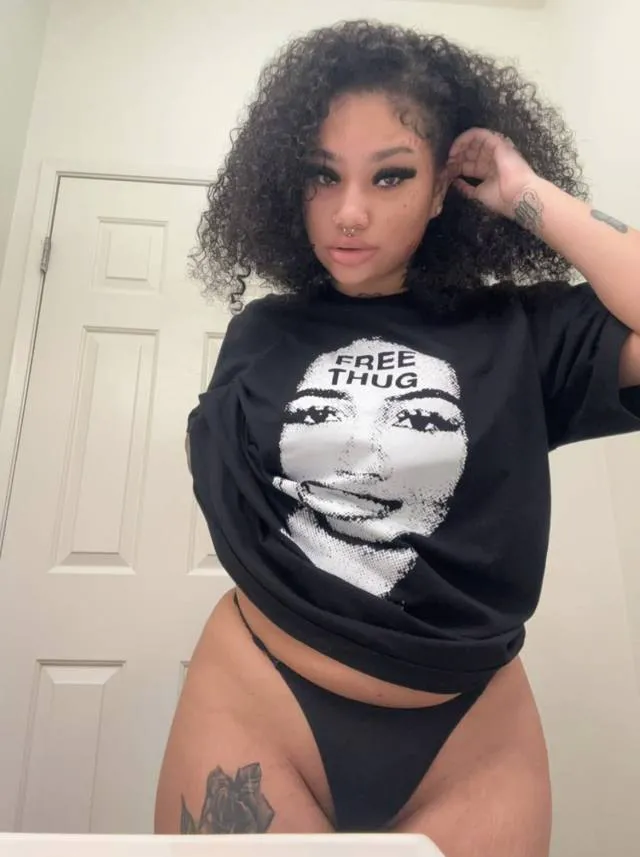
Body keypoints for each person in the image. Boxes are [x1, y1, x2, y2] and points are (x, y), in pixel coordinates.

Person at [155, 19, 640, 856]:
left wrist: (526, 191)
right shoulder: (261, 332)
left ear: (443, 186)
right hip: (259, 701)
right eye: (322, 174)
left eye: (391, 175)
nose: (350, 212)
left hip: (472, 738)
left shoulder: (519, 332)